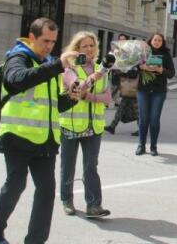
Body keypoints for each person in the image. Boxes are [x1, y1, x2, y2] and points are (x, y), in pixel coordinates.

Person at [0, 18, 79, 244]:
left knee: (47, 192)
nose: (49, 46)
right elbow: (16, 80)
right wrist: (57, 65)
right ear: (32, 37)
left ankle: (35, 241)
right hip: (17, 135)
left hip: (44, 138)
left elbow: (53, 103)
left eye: (53, 42)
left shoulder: (47, 63)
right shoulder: (18, 57)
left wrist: (72, 97)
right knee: (16, 184)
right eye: (45, 40)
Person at [59, 31, 111, 218]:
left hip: (94, 126)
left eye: (91, 45)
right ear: (76, 49)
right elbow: (76, 89)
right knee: (68, 165)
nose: (89, 49)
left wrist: (89, 96)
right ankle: (67, 200)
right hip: (71, 124)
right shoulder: (69, 68)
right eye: (84, 46)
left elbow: (107, 98)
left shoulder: (101, 68)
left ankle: (94, 205)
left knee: (91, 166)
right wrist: (91, 80)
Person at [136, 33, 176, 156]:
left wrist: (160, 70)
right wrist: (142, 67)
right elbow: (134, 68)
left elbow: (171, 73)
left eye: (159, 40)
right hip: (143, 89)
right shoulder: (143, 52)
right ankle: (141, 146)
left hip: (159, 91)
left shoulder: (165, 54)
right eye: (155, 40)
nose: (157, 42)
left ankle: (153, 146)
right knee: (143, 119)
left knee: (154, 119)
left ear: (162, 42)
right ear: (150, 41)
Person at [104, 36, 139, 135]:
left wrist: (122, 72)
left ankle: (141, 128)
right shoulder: (123, 57)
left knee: (136, 109)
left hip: (133, 87)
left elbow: (134, 73)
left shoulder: (134, 58)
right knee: (122, 107)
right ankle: (112, 126)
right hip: (126, 87)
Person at [109, 33, 129, 104]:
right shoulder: (115, 48)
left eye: (123, 39)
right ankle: (107, 100)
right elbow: (110, 56)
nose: (121, 41)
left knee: (121, 86)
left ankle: (116, 101)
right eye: (120, 39)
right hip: (116, 70)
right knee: (114, 86)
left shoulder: (128, 49)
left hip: (125, 70)